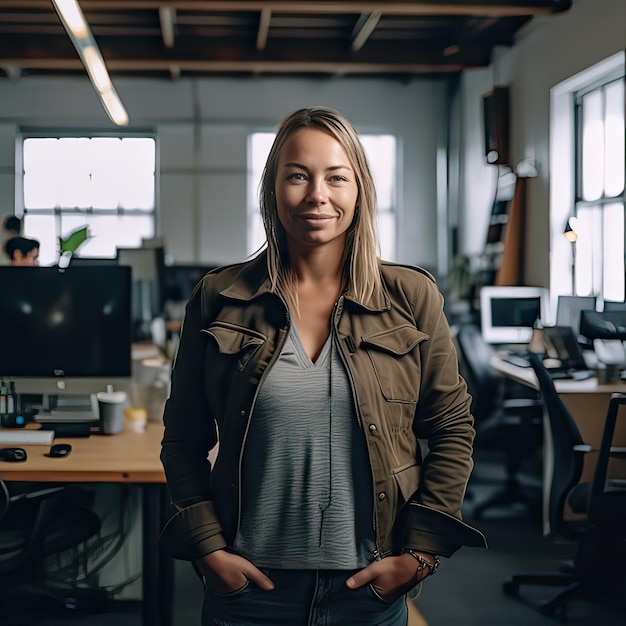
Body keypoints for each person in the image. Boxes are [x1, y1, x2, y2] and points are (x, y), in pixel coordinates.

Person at [160, 106, 486, 626]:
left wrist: (421, 555)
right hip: (248, 590)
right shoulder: (220, 296)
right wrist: (207, 548)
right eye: (297, 176)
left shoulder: (410, 295)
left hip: (368, 589)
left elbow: (451, 428)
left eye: (336, 177)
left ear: (359, 190)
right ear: (272, 189)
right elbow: (182, 435)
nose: (317, 194)